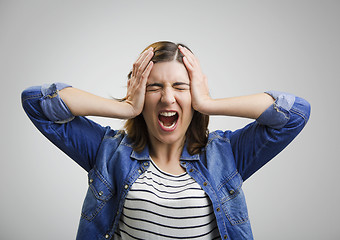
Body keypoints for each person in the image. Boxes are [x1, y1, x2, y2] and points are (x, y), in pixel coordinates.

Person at [21, 41, 311, 240]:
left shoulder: (228, 154)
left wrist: (209, 103)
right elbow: (36, 102)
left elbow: (295, 113)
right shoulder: (108, 151)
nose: (167, 97)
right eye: (154, 87)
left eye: (180, 87)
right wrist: (126, 107)